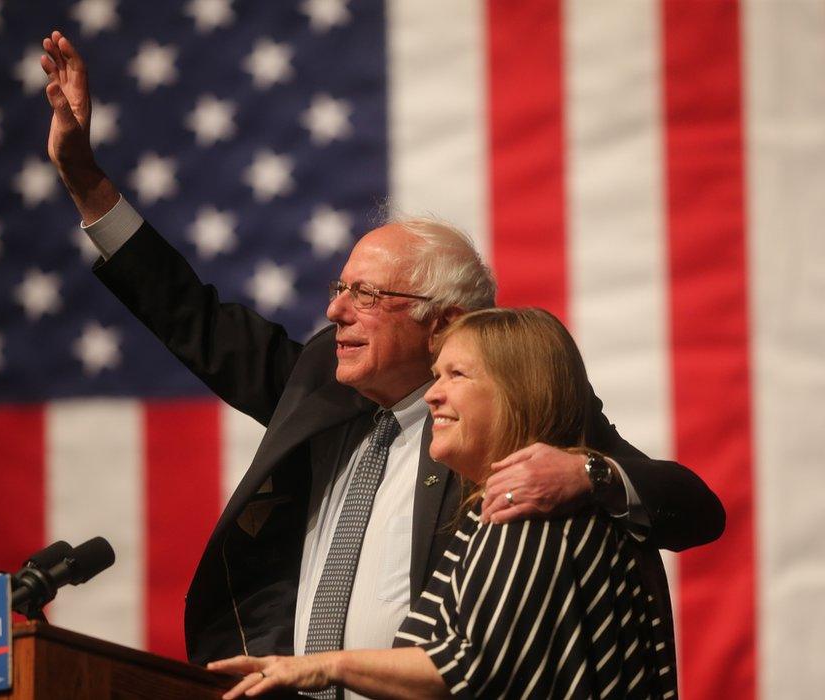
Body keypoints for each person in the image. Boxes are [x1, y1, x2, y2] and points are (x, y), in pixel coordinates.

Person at [39, 30, 724, 670]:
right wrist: (84, 180)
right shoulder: (317, 383)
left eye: (366, 295)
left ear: (445, 322)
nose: (336, 311)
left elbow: (696, 510)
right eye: (340, 289)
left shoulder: (517, 415)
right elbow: (190, 314)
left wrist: (589, 476)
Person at [208, 308, 678, 699]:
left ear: (519, 391)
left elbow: (468, 671)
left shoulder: (533, 509)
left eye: (456, 375)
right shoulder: (495, 506)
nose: (432, 394)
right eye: (436, 376)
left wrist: (322, 667)